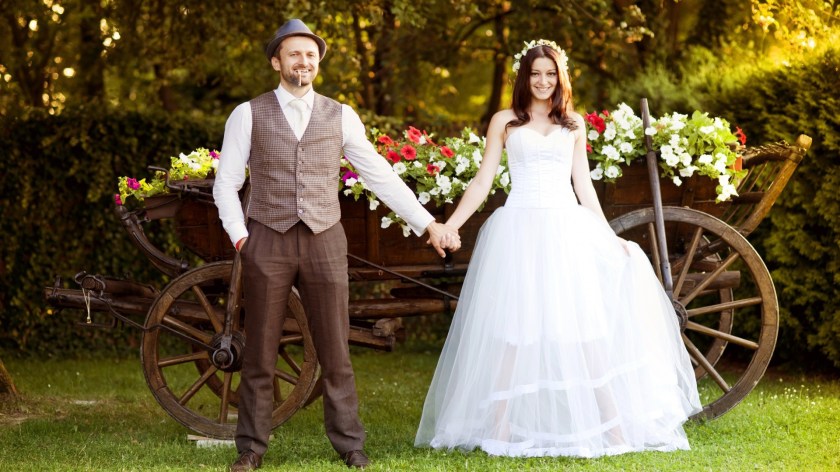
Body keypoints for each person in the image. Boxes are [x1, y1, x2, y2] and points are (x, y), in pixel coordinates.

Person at [415, 40, 702, 458]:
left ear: (560, 77)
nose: (543, 81)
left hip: (567, 229)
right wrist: (450, 224)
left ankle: (615, 429)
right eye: (535, 74)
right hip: (519, 229)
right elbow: (483, 181)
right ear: (524, 78)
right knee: (513, 330)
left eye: (551, 73)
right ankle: (498, 426)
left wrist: (608, 237)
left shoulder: (573, 123)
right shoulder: (505, 122)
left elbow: (582, 184)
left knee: (585, 329)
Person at [214, 19, 457, 471]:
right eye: (293, 54)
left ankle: (350, 445)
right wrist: (241, 236)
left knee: (335, 350)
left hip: (326, 238)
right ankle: (250, 449)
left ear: (318, 63)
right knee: (261, 350)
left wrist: (428, 223)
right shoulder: (248, 113)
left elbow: (379, 174)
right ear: (276, 61)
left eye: (310, 55)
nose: (303, 62)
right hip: (267, 237)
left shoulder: (341, 114)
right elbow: (226, 182)